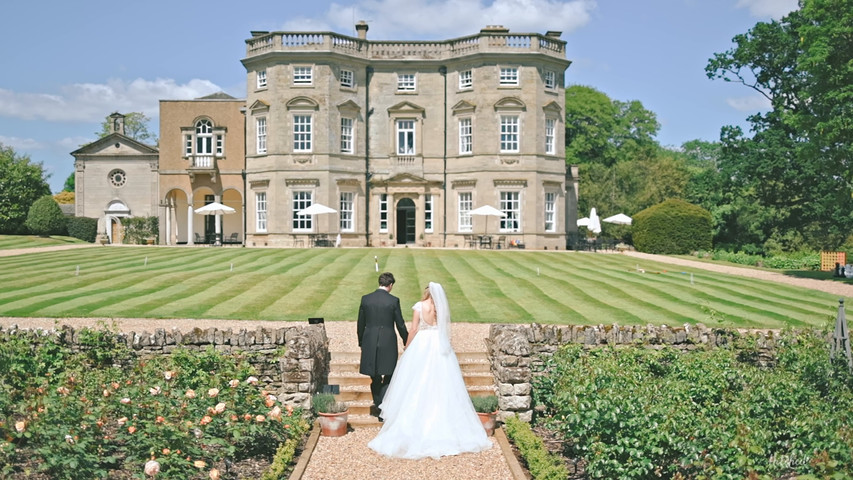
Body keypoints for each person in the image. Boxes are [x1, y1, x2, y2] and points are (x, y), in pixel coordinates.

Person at [368, 282, 492, 459]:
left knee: (415, 381)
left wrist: (407, 346)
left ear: (426, 292)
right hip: (438, 343)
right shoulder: (440, 308)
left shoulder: (420, 306)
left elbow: (413, 329)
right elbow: (443, 329)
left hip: (422, 343)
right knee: (441, 381)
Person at [357, 272, 409, 417]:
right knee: (389, 373)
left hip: (370, 340)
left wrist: (361, 341)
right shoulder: (393, 301)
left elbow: (360, 323)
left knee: (374, 376)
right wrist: (407, 341)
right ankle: (383, 409)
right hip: (388, 341)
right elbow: (400, 324)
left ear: (379, 282)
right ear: (390, 285)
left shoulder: (366, 299)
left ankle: (379, 405)